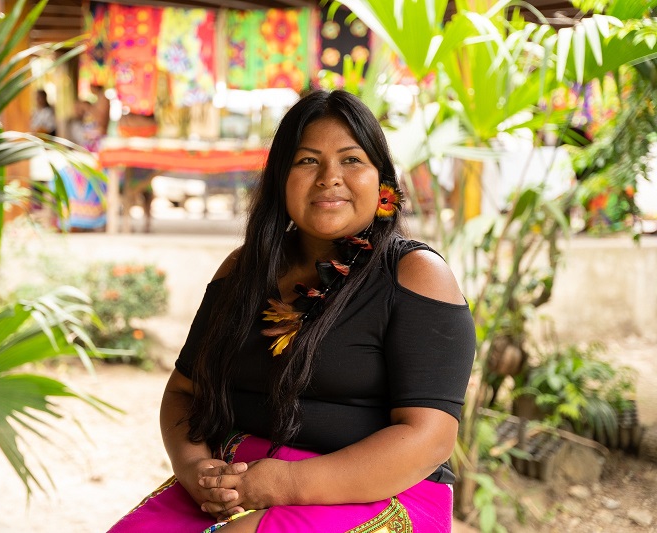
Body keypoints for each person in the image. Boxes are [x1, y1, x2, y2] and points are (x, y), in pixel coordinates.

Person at [106, 90, 476, 533]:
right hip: (239, 481)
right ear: (280, 179)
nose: (329, 177)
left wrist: (285, 483)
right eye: (306, 161)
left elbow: (429, 438)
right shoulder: (244, 271)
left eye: (351, 160)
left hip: (382, 489)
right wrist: (194, 470)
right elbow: (185, 392)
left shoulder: (415, 274)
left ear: (382, 183)